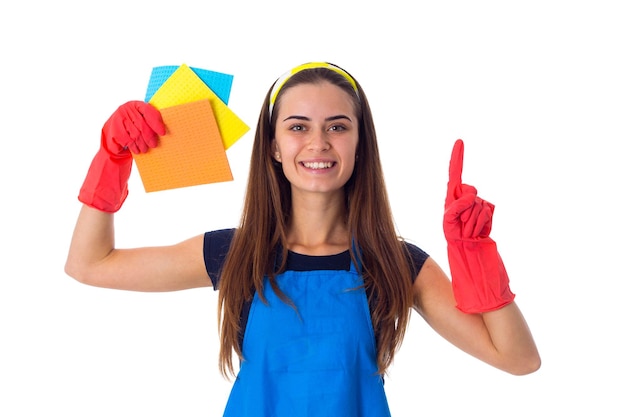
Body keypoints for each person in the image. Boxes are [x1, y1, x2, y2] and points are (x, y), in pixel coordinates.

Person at [65, 62, 540, 416]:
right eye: (298, 127)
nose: (318, 143)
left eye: (337, 126)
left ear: (360, 143)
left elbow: (518, 359)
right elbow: (89, 264)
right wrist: (113, 160)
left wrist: (476, 260)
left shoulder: (396, 263)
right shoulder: (237, 253)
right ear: (273, 145)